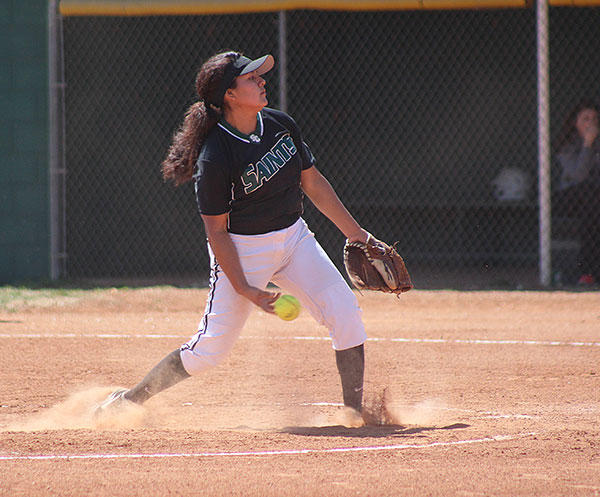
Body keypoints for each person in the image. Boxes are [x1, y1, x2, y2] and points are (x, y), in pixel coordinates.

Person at [94, 51, 373, 422]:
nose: (261, 81)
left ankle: (354, 414)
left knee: (346, 312)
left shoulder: (279, 124)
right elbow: (217, 232)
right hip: (243, 250)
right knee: (208, 351)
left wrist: (358, 235)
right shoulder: (216, 156)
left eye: (259, 75)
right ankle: (129, 400)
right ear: (229, 94)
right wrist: (246, 288)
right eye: (251, 78)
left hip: (294, 238)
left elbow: (314, 184)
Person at [554, 101, 600, 285]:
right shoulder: (567, 145)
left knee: (592, 209)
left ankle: (588, 273)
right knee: (590, 192)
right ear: (576, 123)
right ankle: (589, 270)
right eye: (586, 119)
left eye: (595, 119)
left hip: (593, 202)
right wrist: (587, 145)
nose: (591, 123)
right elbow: (579, 176)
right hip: (570, 196)